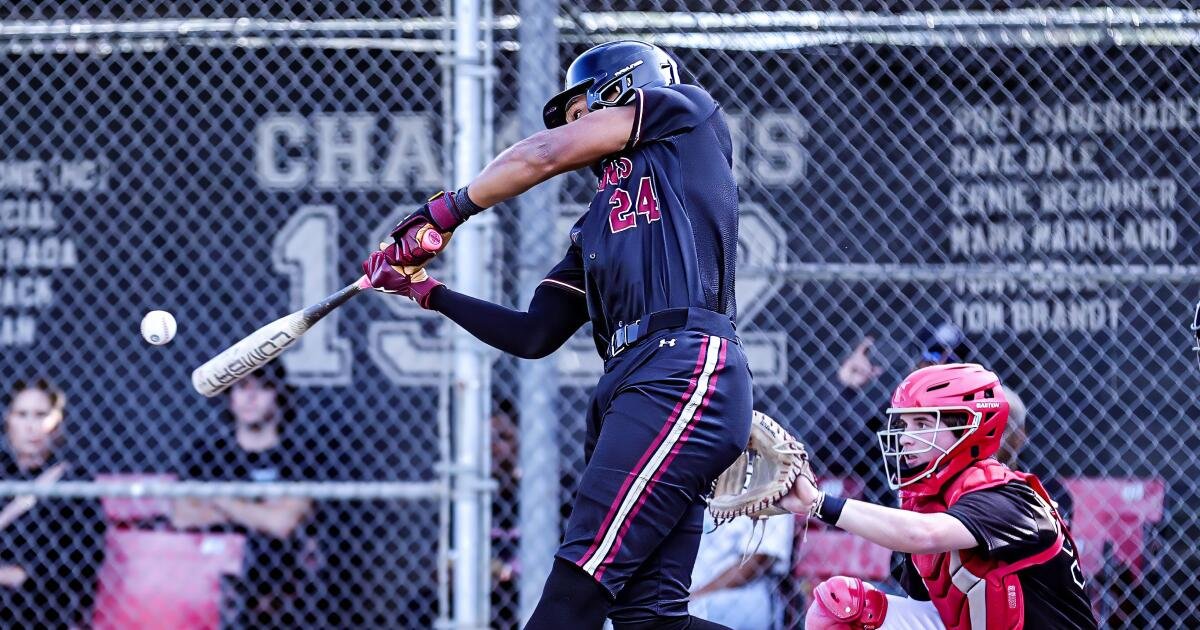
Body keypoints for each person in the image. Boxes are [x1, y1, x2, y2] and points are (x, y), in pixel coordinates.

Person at [361, 40, 751, 629]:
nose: (575, 126)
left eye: (581, 108)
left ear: (623, 86)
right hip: (633, 381)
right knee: (649, 620)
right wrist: (426, 292)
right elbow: (534, 333)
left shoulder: (685, 113)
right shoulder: (594, 226)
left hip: (682, 366)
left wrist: (444, 212)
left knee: (571, 597)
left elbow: (543, 153)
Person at [780, 363, 1097, 629]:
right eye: (904, 424)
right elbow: (925, 607)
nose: (905, 438)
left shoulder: (1007, 497)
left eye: (921, 424)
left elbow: (922, 534)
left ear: (968, 427)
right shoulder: (928, 498)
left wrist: (818, 503)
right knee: (842, 606)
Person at [172, 364, 315, 629]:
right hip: (209, 589)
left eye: (262, 389)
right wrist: (259, 511)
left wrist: (215, 498)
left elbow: (282, 523)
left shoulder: (300, 456)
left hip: (277, 592)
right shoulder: (207, 454)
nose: (250, 398)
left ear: (279, 396)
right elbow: (182, 516)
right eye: (241, 388)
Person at [0, 378, 106, 629]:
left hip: (43, 611)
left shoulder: (74, 482)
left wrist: (21, 575)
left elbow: (82, 560)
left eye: (41, 415)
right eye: (22, 414)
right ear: (8, 421)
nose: (31, 426)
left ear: (57, 423)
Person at [689, 510, 793, 629]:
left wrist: (696, 596)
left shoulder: (773, 495)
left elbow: (758, 559)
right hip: (688, 593)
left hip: (734, 598)